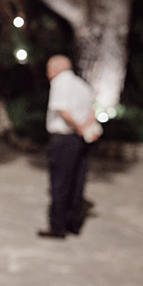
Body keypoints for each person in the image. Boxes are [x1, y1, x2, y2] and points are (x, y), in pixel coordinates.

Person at [39, 55, 99, 239]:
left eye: (49, 69)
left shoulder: (60, 83)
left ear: (56, 69)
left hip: (64, 138)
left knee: (60, 182)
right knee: (77, 181)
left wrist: (78, 126)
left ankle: (58, 227)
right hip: (80, 139)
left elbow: (63, 111)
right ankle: (74, 224)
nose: (48, 73)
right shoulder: (82, 84)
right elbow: (92, 111)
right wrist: (85, 127)